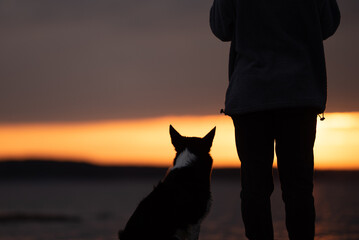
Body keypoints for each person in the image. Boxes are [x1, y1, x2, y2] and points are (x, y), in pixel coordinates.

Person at [210, 0, 340, 239]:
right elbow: (329, 24)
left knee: (254, 190)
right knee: (299, 190)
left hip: (251, 97)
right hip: (299, 95)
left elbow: (221, 28)